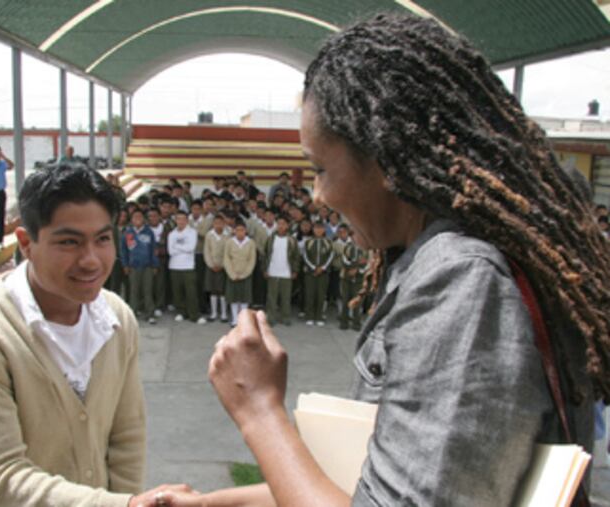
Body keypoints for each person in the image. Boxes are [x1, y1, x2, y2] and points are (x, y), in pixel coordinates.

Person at [170, 13, 603, 507]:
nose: (316, 196)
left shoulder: (462, 284)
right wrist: (206, 503)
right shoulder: (433, 263)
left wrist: (259, 411)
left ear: (386, 159)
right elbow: (371, 484)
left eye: (320, 169)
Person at [0, 165, 191, 506]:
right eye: (69, 242)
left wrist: (124, 501)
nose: (91, 261)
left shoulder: (116, 319)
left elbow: (127, 433)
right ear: (27, 243)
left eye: (102, 239)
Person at [121, 209, 158, 325]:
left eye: (140, 217)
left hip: (147, 266)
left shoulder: (149, 232)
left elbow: (153, 250)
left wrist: (154, 264)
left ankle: (150, 314)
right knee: (134, 291)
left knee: (148, 290)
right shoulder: (127, 233)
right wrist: (125, 264)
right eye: (135, 217)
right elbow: (124, 251)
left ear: (143, 219)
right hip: (133, 266)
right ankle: (133, 313)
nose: (137, 219)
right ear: (131, 220)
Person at [167, 210, 206, 324]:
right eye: (178, 219)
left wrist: (177, 246)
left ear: (187, 220)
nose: (180, 221)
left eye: (183, 219)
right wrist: (182, 247)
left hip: (188, 266)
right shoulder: (172, 234)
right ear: (176, 220)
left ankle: (194, 315)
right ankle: (181, 312)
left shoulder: (192, 232)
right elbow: (170, 251)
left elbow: (190, 248)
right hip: (174, 266)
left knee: (191, 292)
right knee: (178, 292)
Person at [264, 215, 299, 326]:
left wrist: (295, 270)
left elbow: (296, 257)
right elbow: (265, 255)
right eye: (278, 223)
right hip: (273, 271)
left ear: (287, 226)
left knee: (286, 297)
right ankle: (271, 318)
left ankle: (285, 317)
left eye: (283, 224)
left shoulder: (292, 240)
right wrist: (265, 269)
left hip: (286, 272)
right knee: (272, 297)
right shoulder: (270, 239)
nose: (280, 226)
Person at [223, 220, 256, 327]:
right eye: (237, 230)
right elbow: (226, 259)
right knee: (234, 298)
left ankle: (244, 320)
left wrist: (244, 274)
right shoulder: (229, 242)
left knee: (244, 298)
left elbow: (252, 260)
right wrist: (232, 274)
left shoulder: (250, 243)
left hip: (245, 274)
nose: (240, 232)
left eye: (242, 230)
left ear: (245, 231)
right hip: (232, 273)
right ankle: (235, 319)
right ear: (234, 231)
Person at [336, 225, 368, 331]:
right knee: (345, 300)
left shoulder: (365, 248)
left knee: (357, 301)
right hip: (346, 277)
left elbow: (367, 262)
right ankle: (343, 322)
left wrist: (357, 269)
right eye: (353, 235)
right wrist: (355, 265)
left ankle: (356, 323)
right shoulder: (347, 246)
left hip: (359, 278)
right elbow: (344, 260)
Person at [303, 221, 334, 326]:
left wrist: (323, 268)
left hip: (324, 273)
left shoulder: (329, 242)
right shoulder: (308, 242)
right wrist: (313, 268)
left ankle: (319, 316)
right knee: (310, 294)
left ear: (324, 230)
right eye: (316, 228)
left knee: (321, 295)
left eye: (321, 228)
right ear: (313, 229)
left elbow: (331, 256)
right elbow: (305, 256)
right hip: (310, 272)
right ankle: (309, 316)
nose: (318, 230)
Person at [203, 214, 229, 322]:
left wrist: (222, 264)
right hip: (211, 266)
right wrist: (211, 264)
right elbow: (206, 251)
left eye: (220, 223)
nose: (218, 225)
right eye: (216, 223)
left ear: (224, 224)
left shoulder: (227, 235)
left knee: (222, 290)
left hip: (223, 266)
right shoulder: (209, 235)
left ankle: (223, 314)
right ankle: (213, 313)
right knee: (213, 290)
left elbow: (228, 252)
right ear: (213, 224)